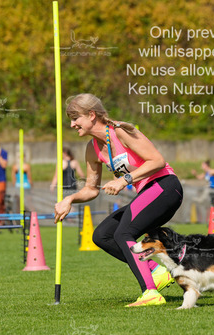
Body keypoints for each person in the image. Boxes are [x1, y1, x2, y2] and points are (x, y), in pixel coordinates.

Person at [54, 93, 183, 307]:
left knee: (124, 233)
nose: (72, 124)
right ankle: (156, 272)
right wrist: (70, 199)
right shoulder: (92, 148)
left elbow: (157, 161)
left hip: (165, 186)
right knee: (102, 235)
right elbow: (90, 189)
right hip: (147, 192)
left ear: (91, 115)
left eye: (75, 118)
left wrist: (124, 180)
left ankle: (150, 293)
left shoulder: (120, 131)